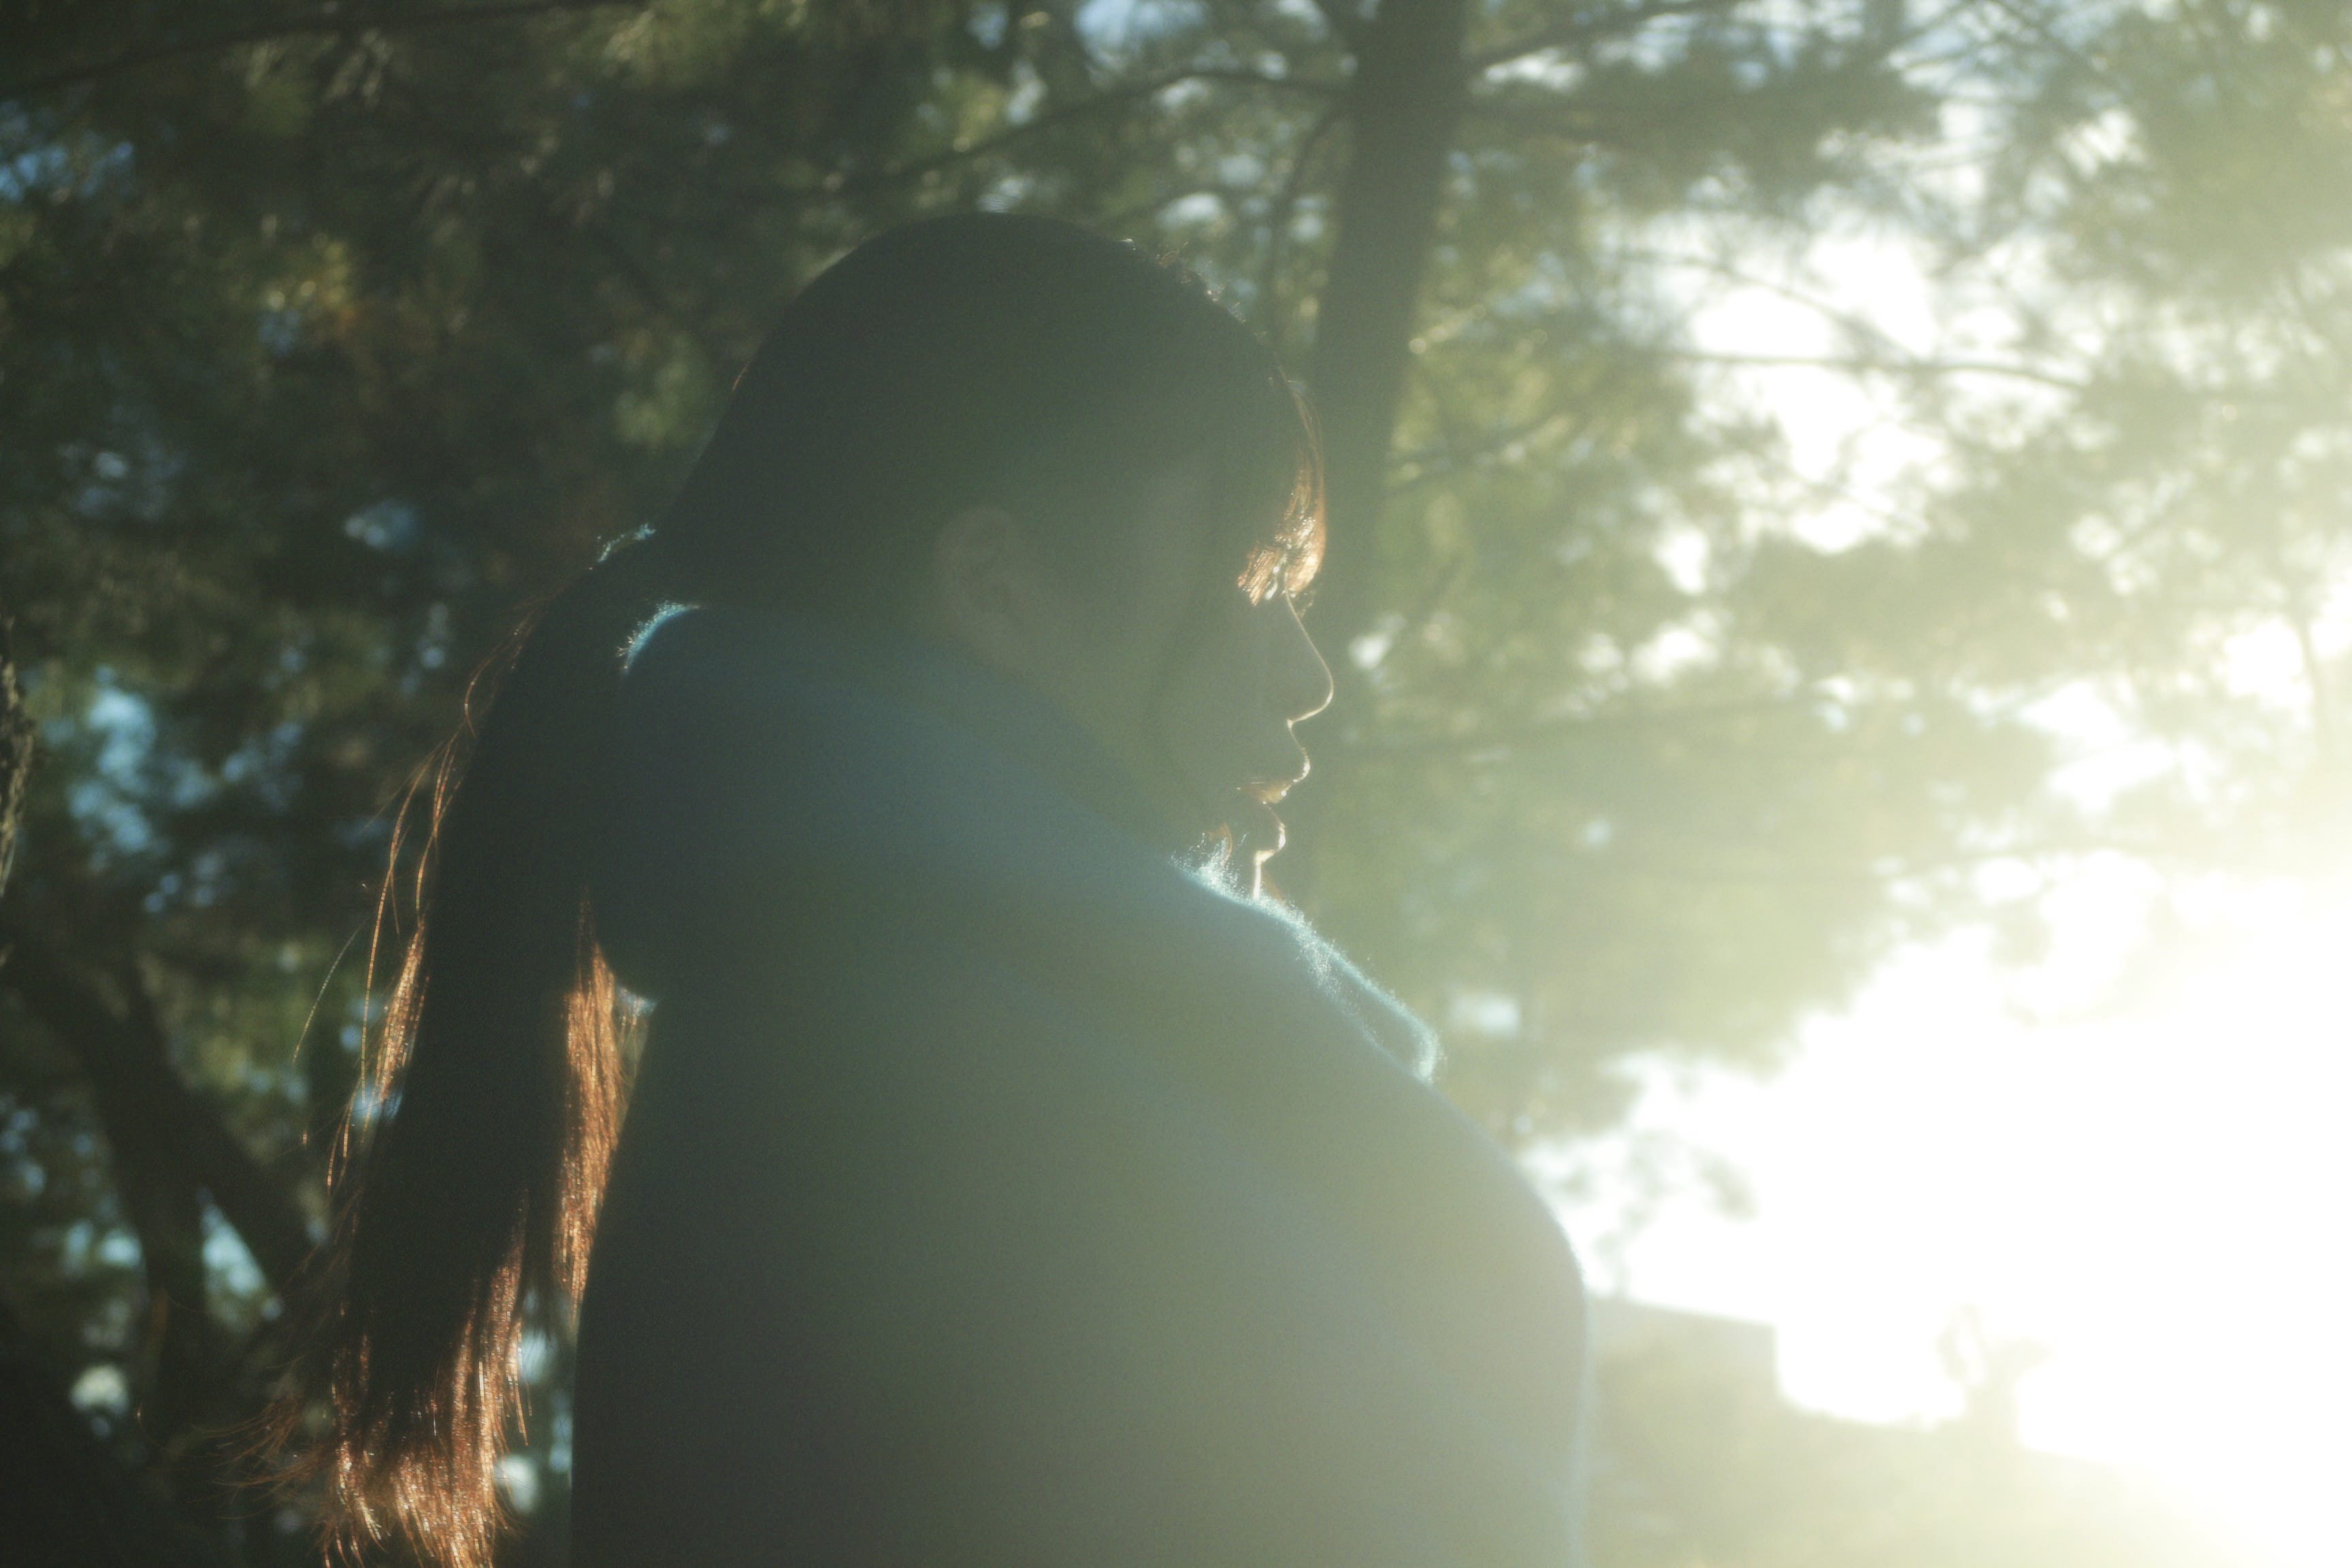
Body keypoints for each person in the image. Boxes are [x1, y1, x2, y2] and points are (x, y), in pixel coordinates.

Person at [297, 214, 1587, 1568]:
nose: (1309, 678)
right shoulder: (907, 1060)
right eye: (1255, 578)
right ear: (993, 586)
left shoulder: (880, 1013)